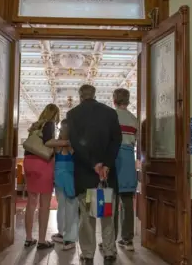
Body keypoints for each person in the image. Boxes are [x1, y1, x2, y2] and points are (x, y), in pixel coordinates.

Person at [66, 84, 122, 262]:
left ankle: (88, 254)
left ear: (80, 96)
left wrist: (93, 164)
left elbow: (76, 143)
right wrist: (105, 164)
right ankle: (109, 251)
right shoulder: (110, 113)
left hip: (86, 173)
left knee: (86, 217)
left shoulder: (73, 114)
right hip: (105, 174)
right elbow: (116, 140)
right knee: (106, 214)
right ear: (95, 95)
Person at [22, 103, 60, 250]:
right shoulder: (49, 124)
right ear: (55, 115)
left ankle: (28, 238)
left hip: (28, 163)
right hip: (42, 163)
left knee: (31, 203)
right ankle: (42, 241)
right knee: (45, 205)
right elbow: (48, 142)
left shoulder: (35, 126)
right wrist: (65, 142)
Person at [112, 88, 139, 251]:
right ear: (128, 101)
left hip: (114, 157)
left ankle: (110, 239)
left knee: (112, 199)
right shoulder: (133, 119)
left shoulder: (110, 116)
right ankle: (127, 239)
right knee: (127, 201)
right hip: (129, 159)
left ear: (114, 100)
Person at [45, 119, 79, 250]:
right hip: (67, 177)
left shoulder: (58, 144)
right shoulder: (68, 143)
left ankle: (67, 236)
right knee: (68, 206)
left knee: (65, 206)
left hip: (63, 177)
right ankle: (66, 235)